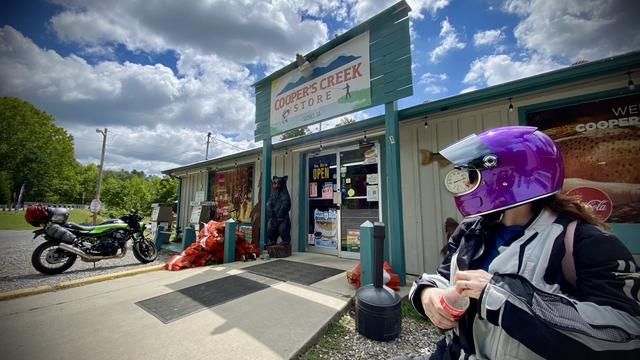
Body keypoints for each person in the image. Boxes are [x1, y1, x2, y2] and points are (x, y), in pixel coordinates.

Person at [406, 126, 640, 359]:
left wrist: (500, 296)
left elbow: (626, 333)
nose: (467, 185)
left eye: (473, 176)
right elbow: (447, 277)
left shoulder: (586, 242)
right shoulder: (472, 229)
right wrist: (428, 294)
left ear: (506, 177)